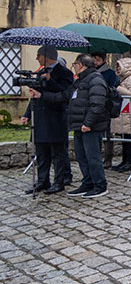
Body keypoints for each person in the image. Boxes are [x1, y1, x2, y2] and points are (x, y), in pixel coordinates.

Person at [41, 53, 109, 198]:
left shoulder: (96, 79)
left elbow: (97, 104)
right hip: (79, 125)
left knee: (93, 157)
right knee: (81, 156)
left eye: (75, 64)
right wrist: (41, 95)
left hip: (90, 126)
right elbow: (64, 96)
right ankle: (87, 182)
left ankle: (100, 185)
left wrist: (88, 123)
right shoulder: (80, 81)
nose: (74, 67)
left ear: (82, 65)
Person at [21, 45, 74, 195]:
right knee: (42, 153)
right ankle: (42, 181)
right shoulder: (41, 72)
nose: (37, 58)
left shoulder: (65, 73)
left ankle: (59, 181)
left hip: (55, 119)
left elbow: (64, 94)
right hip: (40, 119)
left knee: (58, 154)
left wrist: (50, 81)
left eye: (39, 55)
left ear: (46, 56)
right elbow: (36, 95)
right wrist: (27, 114)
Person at [110, 57, 131, 173]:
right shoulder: (122, 79)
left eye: (119, 66)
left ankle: (130, 162)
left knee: (129, 138)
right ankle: (125, 161)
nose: (117, 68)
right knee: (125, 138)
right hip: (124, 112)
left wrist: (119, 89)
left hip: (130, 112)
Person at [92, 51, 119, 169]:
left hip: (106, 107)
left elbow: (113, 88)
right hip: (94, 106)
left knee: (108, 135)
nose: (95, 62)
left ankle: (108, 158)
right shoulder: (92, 72)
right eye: (93, 59)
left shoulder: (110, 73)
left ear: (103, 60)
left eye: (97, 60)